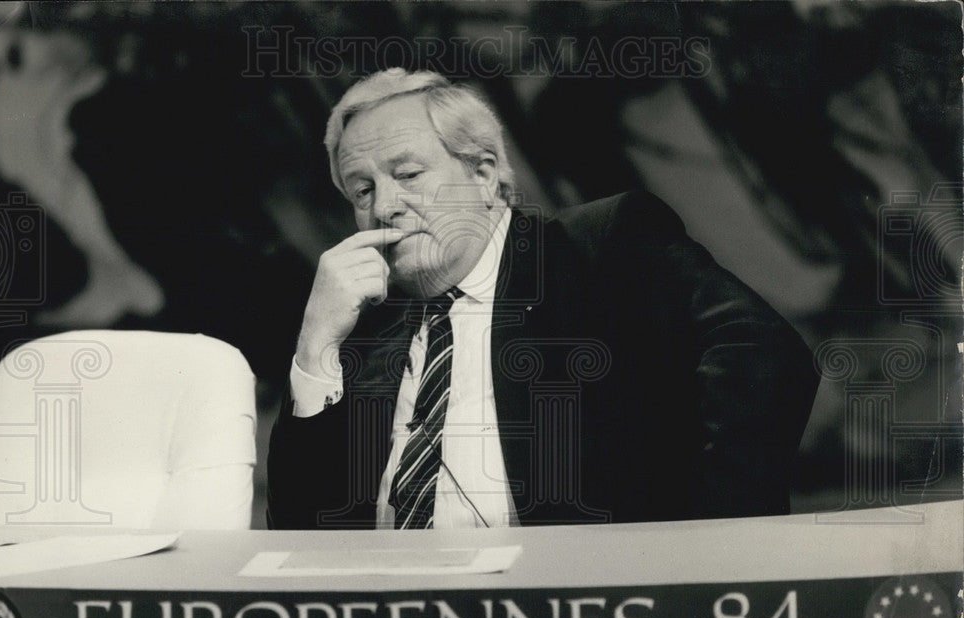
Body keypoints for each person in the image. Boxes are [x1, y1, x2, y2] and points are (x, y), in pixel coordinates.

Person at [267, 68, 819, 530]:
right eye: (362, 190)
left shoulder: (601, 247)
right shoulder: (364, 332)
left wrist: (706, 551)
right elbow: (304, 532)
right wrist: (315, 349)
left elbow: (764, 355)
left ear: (484, 174)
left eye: (407, 173)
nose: (384, 206)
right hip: (400, 616)